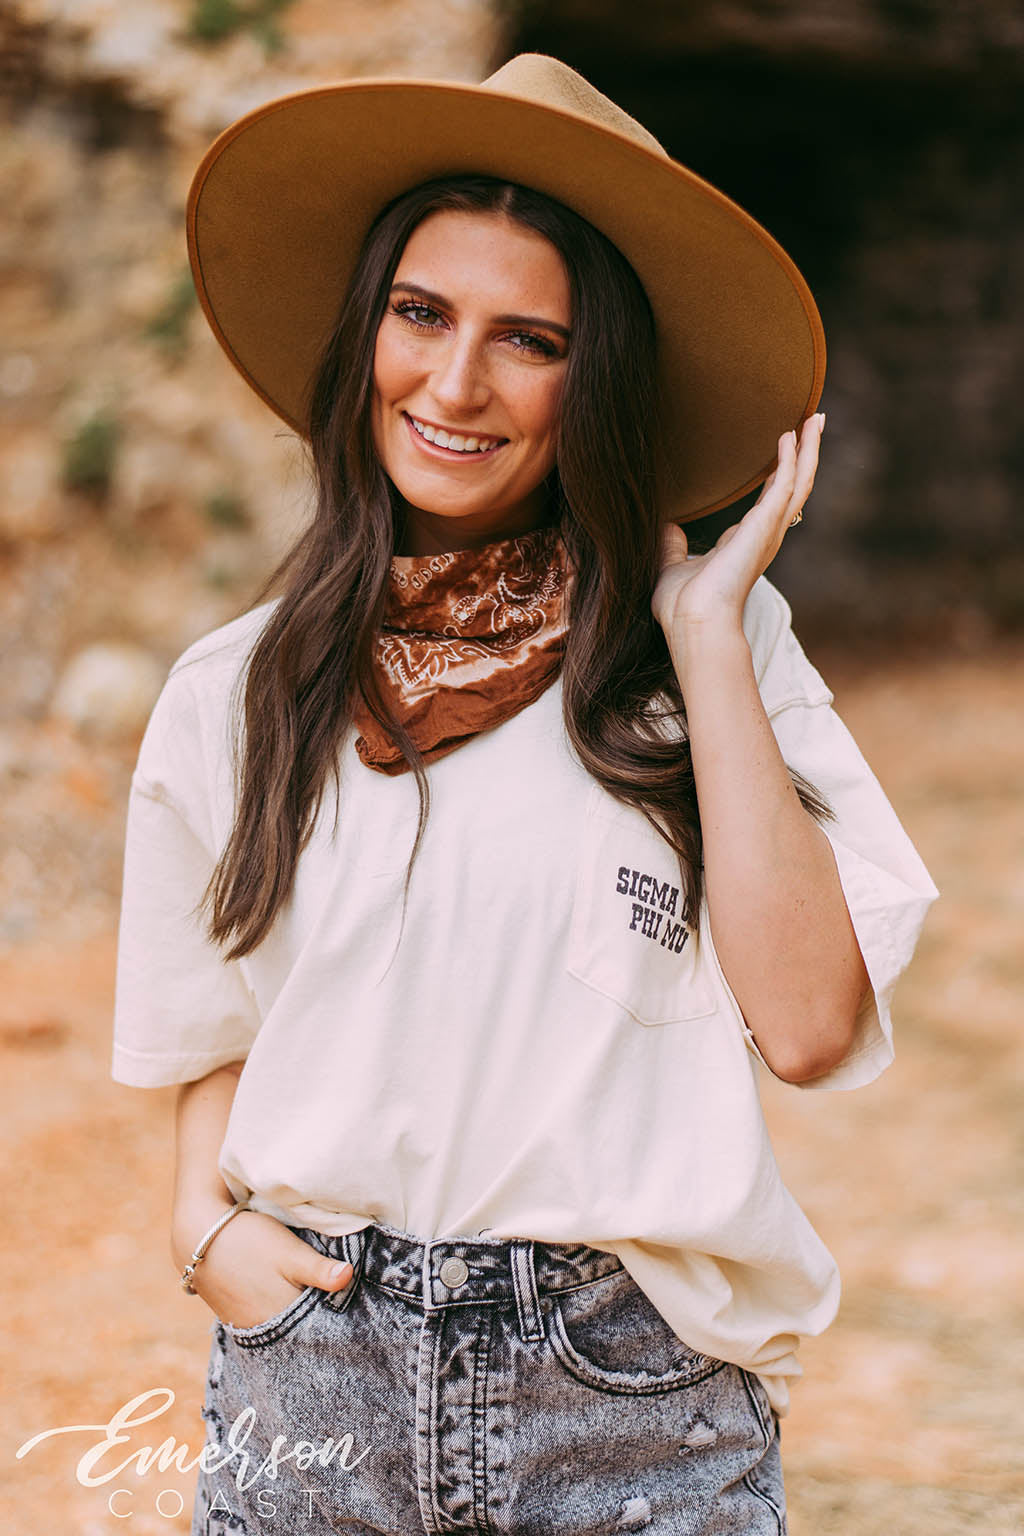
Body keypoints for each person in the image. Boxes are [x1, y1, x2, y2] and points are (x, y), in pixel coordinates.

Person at [111, 53, 938, 1536]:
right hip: (319, 1385)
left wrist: (701, 633)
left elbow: (812, 1026)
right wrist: (199, 1226)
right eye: (421, 314)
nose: (455, 385)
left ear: (595, 379)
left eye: (530, 340)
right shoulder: (235, 686)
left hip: (632, 1400)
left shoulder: (720, 649)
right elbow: (217, 1021)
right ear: (365, 332)